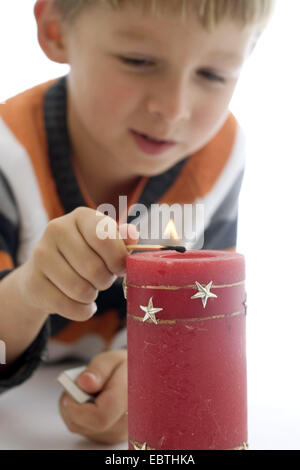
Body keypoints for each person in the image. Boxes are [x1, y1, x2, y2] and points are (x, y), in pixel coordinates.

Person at [0, 0, 275, 445]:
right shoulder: (8, 152)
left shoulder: (221, 151)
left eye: (213, 75)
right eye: (138, 61)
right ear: (56, 32)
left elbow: (204, 320)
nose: (173, 109)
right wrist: (30, 289)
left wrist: (144, 372)